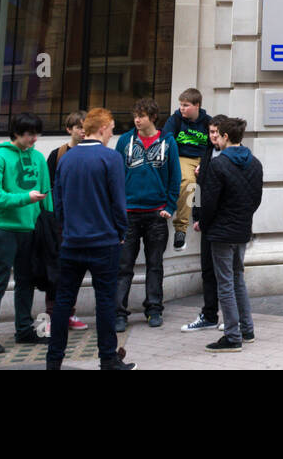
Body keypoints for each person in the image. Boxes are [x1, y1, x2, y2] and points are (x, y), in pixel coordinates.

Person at [46, 108, 135, 371]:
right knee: (105, 302)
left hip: (72, 241)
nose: (112, 133)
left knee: (63, 303)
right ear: (104, 127)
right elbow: (119, 202)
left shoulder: (66, 158)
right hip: (104, 241)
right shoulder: (110, 158)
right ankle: (107, 359)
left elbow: (58, 200)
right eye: (112, 128)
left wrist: (66, 230)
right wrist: (121, 232)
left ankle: (54, 361)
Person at [0, 112, 50, 354]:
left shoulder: (39, 158)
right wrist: (24, 198)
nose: (34, 139)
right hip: (3, 230)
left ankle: (24, 330)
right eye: (30, 134)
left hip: (30, 230)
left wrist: (49, 224)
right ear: (16, 133)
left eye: (36, 134)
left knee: (26, 282)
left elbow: (46, 196)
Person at [114, 98, 181, 331]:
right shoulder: (124, 141)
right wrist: (118, 208)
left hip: (156, 214)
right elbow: (116, 177)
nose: (137, 119)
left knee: (155, 265)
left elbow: (175, 178)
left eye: (141, 115)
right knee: (123, 266)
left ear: (153, 117)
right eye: (135, 115)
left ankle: (154, 309)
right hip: (129, 214)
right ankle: (119, 313)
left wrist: (170, 208)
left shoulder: (168, 142)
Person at [199, 116, 263, 352]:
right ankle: (247, 330)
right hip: (242, 229)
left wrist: (205, 224)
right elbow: (256, 200)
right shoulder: (255, 163)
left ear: (226, 137)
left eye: (219, 135)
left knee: (225, 283)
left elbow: (209, 202)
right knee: (238, 280)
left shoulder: (219, 164)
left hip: (222, 231)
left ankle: (233, 336)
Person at [41, 110, 88, 333]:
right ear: (69, 129)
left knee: (77, 269)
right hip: (60, 222)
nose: (82, 131)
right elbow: (49, 188)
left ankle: (69, 313)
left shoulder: (92, 153)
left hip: (84, 221)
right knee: (57, 269)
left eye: (85, 126)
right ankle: (52, 315)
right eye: (78, 127)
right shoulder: (57, 154)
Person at [181, 119, 222, 333]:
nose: (212, 136)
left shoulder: (237, 157)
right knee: (208, 270)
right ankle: (209, 314)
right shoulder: (207, 154)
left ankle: (233, 317)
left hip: (226, 225)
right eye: (211, 132)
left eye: (216, 132)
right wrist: (197, 216)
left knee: (228, 273)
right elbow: (199, 188)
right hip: (208, 223)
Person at [163, 88, 211, 252]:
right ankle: (181, 229)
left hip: (204, 159)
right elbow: (166, 141)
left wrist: (204, 164)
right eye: (181, 105)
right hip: (182, 157)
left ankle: (201, 219)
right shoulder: (175, 120)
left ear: (197, 105)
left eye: (186, 105)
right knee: (188, 182)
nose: (182, 108)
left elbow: (214, 146)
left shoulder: (207, 122)